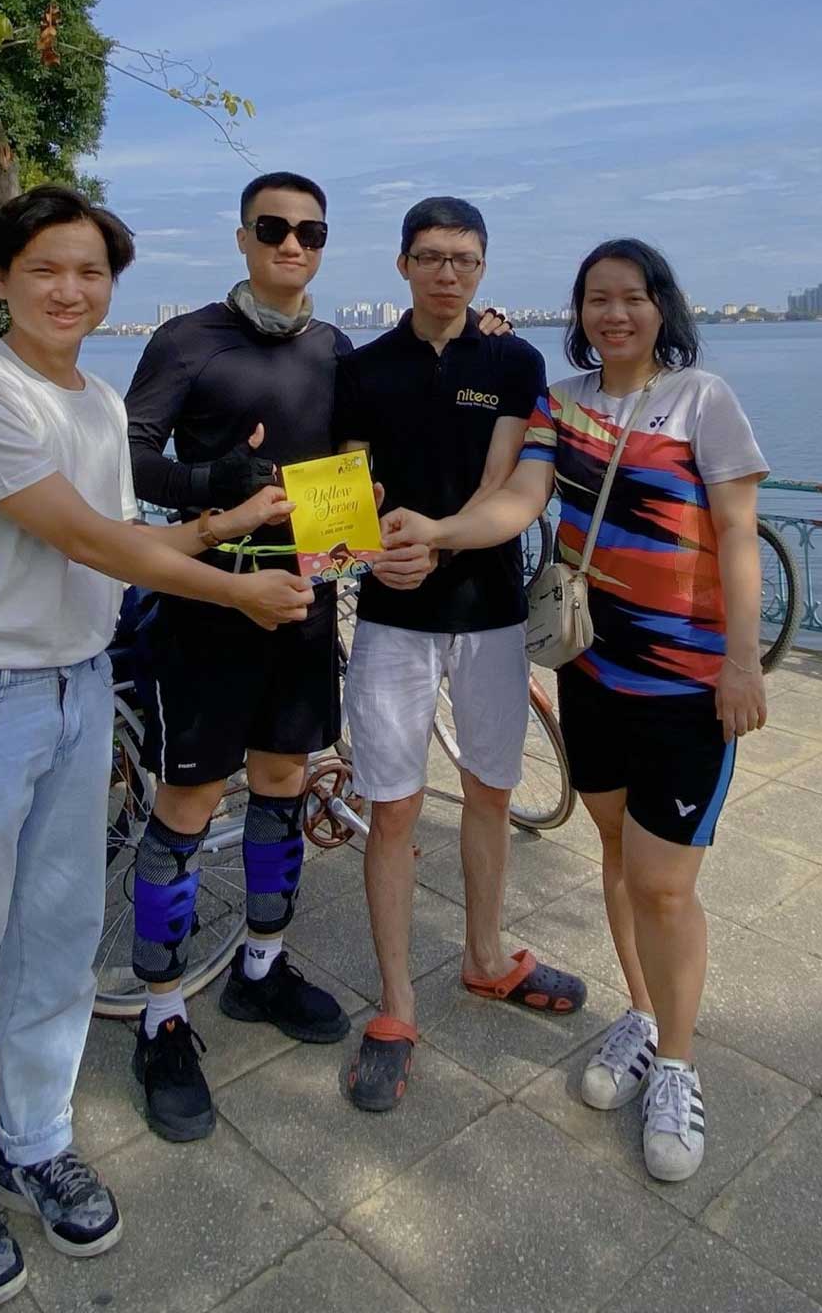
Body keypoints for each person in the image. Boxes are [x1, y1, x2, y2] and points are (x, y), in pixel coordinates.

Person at [0, 185, 312, 1306]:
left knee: (61, 939)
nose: (71, 289)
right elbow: (83, 535)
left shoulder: (89, 399)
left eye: (91, 271)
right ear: (0, 279)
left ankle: (34, 1136)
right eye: (46, 269)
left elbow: (119, 537)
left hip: (76, 692)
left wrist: (221, 525)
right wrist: (235, 589)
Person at [381, 238, 768, 1182]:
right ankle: (641, 1015)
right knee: (615, 858)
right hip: (593, 671)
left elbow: (739, 534)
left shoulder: (702, 400)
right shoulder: (564, 403)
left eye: (631, 298)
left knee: (666, 884)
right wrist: (440, 530)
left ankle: (675, 1065)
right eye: (597, 300)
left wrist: (743, 662)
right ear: (580, 312)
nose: (614, 315)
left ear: (660, 307)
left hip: (686, 682)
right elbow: (519, 498)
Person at [333, 197, 588, 1111]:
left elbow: (508, 487)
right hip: (391, 626)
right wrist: (371, 553)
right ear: (402, 264)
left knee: (489, 790)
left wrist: (434, 541)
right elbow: (345, 488)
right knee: (393, 808)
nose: (449, 273)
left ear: (484, 269)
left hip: (488, 617)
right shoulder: (360, 369)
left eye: (466, 259)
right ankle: (397, 1004)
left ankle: (486, 956)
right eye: (432, 256)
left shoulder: (515, 361)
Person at [122, 172, 354, 1142]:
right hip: (207, 602)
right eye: (273, 227)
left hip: (306, 600)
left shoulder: (335, 348)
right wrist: (208, 482)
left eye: (308, 230)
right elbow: (127, 450)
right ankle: (161, 1011)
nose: (291, 243)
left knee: (282, 782)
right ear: (244, 235)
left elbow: (356, 462)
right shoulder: (188, 339)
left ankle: (261, 964)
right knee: (184, 804)